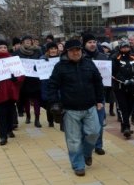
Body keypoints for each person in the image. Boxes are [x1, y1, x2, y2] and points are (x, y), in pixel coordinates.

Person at [47, 39, 103, 176]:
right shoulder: (60, 67)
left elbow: (98, 81)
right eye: (72, 50)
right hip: (70, 109)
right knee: (73, 140)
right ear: (67, 52)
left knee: (94, 132)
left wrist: (100, 100)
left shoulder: (89, 64)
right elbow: (52, 86)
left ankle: (86, 153)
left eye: (78, 49)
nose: (76, 52)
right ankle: (78, 165)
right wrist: (54, 103)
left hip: (90, 107)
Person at [0, 39, 23, 145]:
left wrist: (16, 79)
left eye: (4, 47)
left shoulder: (12, 59)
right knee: (1, 114)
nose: (3, 49)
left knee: (10, 112)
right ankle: (3, 136)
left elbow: (21, 74)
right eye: (0, 47)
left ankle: (9, 130)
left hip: (11, 91)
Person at [82, 34, 108, 155]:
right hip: (85, 95)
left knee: (99, 121)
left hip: (99, 95)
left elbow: (108, 75)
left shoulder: (103, 56)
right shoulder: (81, 57)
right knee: (85, 122)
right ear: (84, 44)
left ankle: (98, 145)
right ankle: (87, 144)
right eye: (89, 42)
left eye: (94, 42)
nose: (92, 44)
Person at [14, 35, 43, 127]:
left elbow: (41, 61)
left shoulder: (38, 50)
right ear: (22, 42)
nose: (28, 41)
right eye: (25, 40)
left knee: (36, 100)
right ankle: (28, 116)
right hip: (24, 80)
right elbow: (14, 64)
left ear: (32, 41)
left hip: (35, 79)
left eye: (29, 40)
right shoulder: (17, 52)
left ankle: (37, 119)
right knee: (25, 99)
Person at [111, 40, 134, 138]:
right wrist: (123, 80)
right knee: (123, 107)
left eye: (127, 47)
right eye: (123, 47)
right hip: (119, 87)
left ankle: (124, 124)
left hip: (132, 86)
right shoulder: (115, 57)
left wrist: (133, 79)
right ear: (120, 47)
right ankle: (126, 127)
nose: (125, 48)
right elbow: (114, 72)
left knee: (130, 107)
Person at [40, 42, 60, 128]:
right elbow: (36, 68)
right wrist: (42, 63)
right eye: (51, 49)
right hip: (47, 85)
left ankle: (59, 118)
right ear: (48, 50)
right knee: (49, 104)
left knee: (60, 102)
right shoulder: (42, 58)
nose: (53, 50)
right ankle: (50, 121)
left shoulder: (61, 59)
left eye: (55, 48)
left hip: (59, 84)